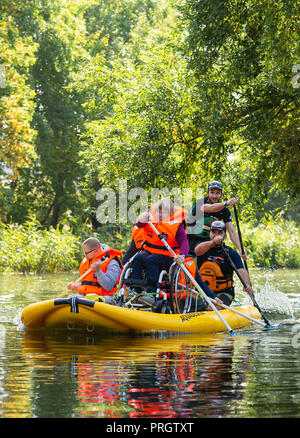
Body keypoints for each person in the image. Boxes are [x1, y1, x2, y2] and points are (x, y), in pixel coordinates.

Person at [127, 198, 189, 304]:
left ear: (170, 213)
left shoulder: (176, 225)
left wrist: (182, 255)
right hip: (150, 252)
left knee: (152, 260)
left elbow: (184, 242)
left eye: (163, 211)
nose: (160, 214)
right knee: (138, 258)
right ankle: (135, 290)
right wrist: (140, 219)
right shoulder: (150, 219)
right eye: (158, 211)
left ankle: (151, 294)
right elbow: (139, 225)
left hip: (167, 256)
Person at [187, 180, 246, 267]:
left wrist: (240, 249)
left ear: (221, 194)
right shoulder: (200, 203)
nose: (215, 196)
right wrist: (226, 203)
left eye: (217, 193)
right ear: (207, 193)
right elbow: (210, 208)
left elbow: (232, 232)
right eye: (212, 192)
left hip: (209, 241)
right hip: (192, 239)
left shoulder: (224, 211)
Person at [195, 220, 252, 307]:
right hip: (203, 291)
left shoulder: (231, 253)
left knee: (213, 307)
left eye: (220, 232)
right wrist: (213, 242)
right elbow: (197, 251)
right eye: (213, 232)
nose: (216, 235)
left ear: (225, 236)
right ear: (210, 233)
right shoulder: (203, 248)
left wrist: (247, 284)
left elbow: (242, 271)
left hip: (224, 292)